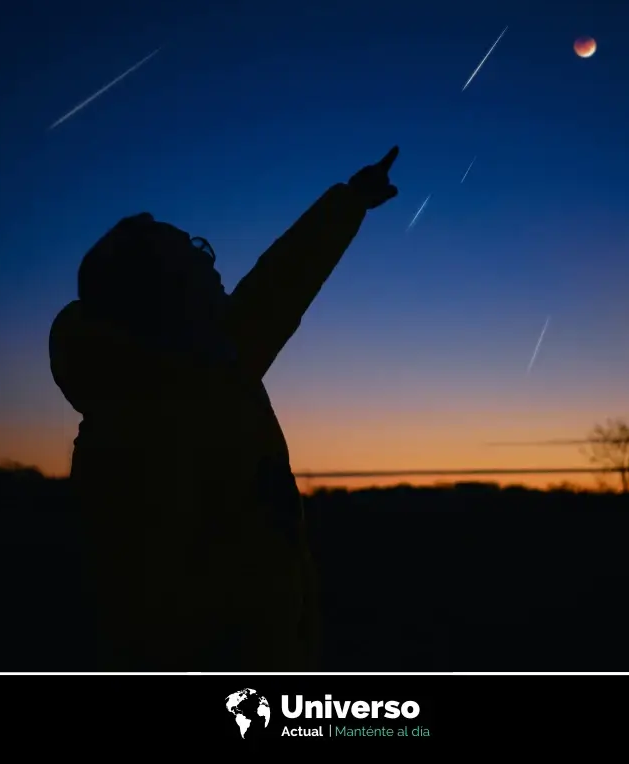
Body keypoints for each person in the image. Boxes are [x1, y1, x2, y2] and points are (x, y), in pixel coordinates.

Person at [49, 146, 401, 671]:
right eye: (190, 255)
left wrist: (349, 202)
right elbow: (150, 618)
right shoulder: (138, 431)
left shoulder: (205, 368)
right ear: (160, 296)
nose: (209, 259)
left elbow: (279, 285)